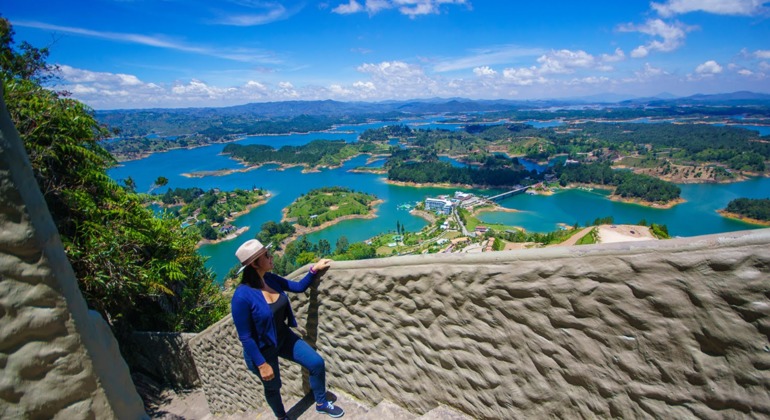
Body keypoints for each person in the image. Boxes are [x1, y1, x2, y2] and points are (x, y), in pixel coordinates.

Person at [231, 239, 344, 419]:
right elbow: (245, 337)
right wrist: (262, 364)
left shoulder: (270, 279)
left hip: (284, 338)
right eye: (266, 255)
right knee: (273, 387)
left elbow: (298, 287)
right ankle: (282, 417)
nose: (271, 257)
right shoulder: (241, 297)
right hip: (261, 351)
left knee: (316, 363)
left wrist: (314, 269)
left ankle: (321, 403)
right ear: (254, 263)